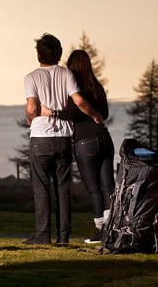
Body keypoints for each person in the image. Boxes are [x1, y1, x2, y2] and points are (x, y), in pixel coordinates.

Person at [23, 34, 103, 245]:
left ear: (39, 53)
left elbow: (31, 108)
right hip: (64, 138)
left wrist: (31, 119)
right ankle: (63, 236)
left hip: (41, 138)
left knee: (41, 187)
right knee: (63, 188)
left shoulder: (31, 77)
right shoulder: (67, 74)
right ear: (58, 53)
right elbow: (78, 101)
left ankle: (42, 235)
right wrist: (94, 115)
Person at [41, 50, 115, 243]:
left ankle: (100, 232)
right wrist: (95, 115)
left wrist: (53, 113)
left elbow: (74, 111)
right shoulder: (97, 86)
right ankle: (113, 229)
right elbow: (104, 114)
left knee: (94, 189)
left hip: (85, 142)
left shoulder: (75, 89)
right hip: (105, 138)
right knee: (108, 186)